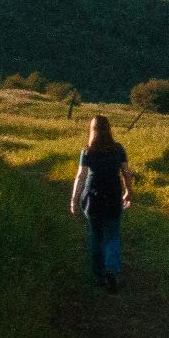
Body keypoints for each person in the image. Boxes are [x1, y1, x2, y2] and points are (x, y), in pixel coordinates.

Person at [70, 114, 132, 292]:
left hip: (92, 196)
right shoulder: (118, 149)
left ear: (92, 129)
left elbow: (81, 176)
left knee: (96, 236)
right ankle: (112, 269)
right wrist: (129, 192)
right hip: (113, 194)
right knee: (112, 234)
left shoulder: (87, 150)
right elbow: (126, 173)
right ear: (109, 128)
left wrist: (74, 200)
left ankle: (99, 275)